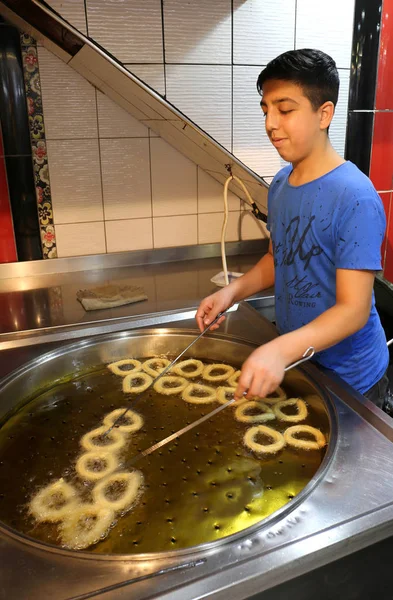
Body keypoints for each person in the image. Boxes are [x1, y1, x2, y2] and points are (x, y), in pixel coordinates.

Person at [196, 48, 393, 414]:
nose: (271, 123)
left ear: (324, 114)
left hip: (354, 379)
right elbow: (279, 258)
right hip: (306, 365)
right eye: (266, 109)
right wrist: (231, 293)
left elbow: (353, 310)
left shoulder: (355, 196)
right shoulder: (282, 183)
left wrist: (279, 349)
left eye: (285, 110)